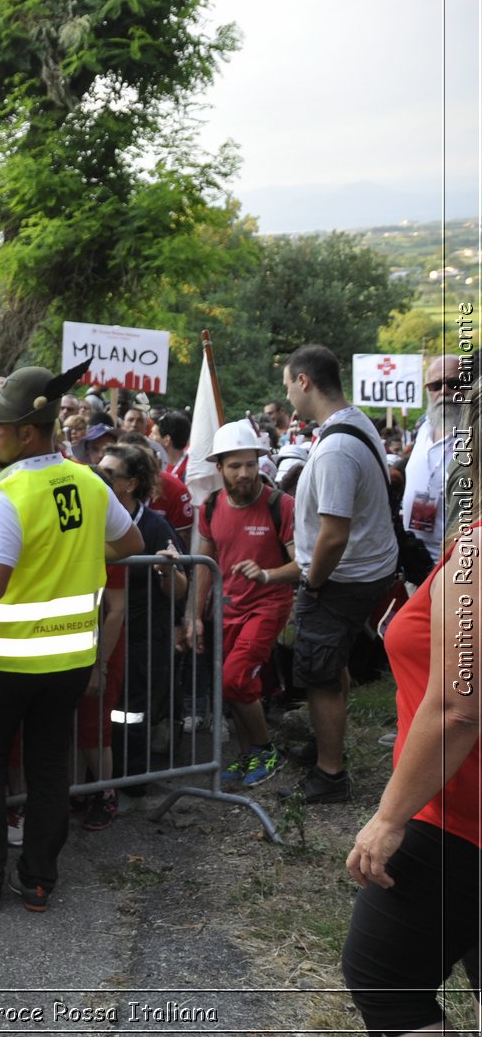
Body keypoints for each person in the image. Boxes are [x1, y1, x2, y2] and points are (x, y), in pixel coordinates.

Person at [0, 363, 142, 913]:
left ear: (27, 431)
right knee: (50, 766)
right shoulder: (90, 481)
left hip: (4, 659)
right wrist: (70, 558)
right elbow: (131, 541)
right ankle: (40, 880)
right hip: (70, 656)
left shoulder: (8, 493)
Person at [342, 498, 480, 1034]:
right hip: (457, 802)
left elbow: (456, 708)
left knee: (384, 976)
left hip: (458, 810)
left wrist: (389, 818)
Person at [282, 344, 400, 804]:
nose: (289, 394)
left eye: (289, 384)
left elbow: (333, 534)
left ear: (304, 381)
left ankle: (330, 773)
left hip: (340, 579)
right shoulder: (355, 422)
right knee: (334, 662)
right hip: (365, 570)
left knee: (320, 672)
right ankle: (326, 740)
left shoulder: (334, 450)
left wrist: (312, 583)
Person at [187, 422, 297, 788]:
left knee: (234, 679)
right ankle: (248, 754)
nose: (245, 473)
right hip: (226, 609)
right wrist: (195, 616)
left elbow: (302, 565)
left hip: (268, 605)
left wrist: (266, 575)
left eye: (251, 464)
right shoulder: (211, 506)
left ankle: (266, 750)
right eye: (235, 466)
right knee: (232, 686)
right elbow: (206, 564)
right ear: (219, 467)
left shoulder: (281, 505)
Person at [95, 444, 187, 788]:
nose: (99, 478)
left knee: (130, 712)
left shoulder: (154, 526)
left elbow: (180, 589)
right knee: (101, 709)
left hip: (143, 637)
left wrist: (166, 571)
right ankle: (99, 776)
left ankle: (131, 776)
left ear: (131, 484)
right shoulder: (94, 519)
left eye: (109, 474)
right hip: (101, 632)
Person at [400, 354, 466, 576]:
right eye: (436, 385)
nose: (444, 391)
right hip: (416, 562)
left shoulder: (474, 437)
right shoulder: (424, 429)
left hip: (456, 567)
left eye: (454, 383)